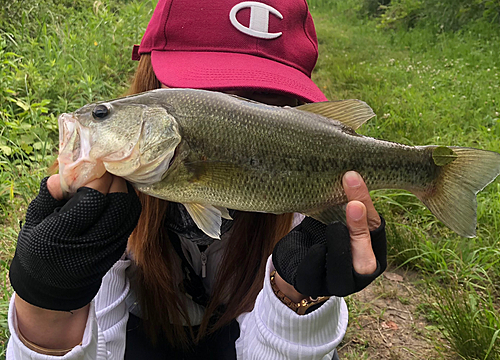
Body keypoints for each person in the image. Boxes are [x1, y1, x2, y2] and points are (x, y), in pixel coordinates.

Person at [7, 0, 387, 359]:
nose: (231, 119)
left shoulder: (304, 210)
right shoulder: (106, 189)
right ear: (147, 85)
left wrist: (295, 297)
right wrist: (47, 311)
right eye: (201, 95)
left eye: (263, 103)